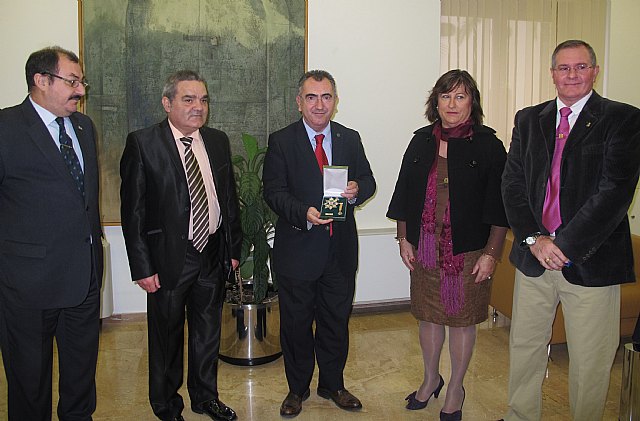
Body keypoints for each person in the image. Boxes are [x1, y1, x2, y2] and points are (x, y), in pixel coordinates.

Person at [500, 39, 640, 421]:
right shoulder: (529, 119)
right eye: (564, 68)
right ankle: (520, 415)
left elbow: (614, 192)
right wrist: (535, 240)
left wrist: (563, 245)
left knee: (590, 359)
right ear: (552, 74)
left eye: (581, 67)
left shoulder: (623, 119)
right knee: (526, 346)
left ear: (595, 71)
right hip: (534, 258)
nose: (572, 74)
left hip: (590, 262)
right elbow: (512, 185)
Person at [387, 69, 508, 421]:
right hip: (424, 246)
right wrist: (402, 237)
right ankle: (430, 379)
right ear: (435, 101)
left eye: (460, 96)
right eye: (445, 96)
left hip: (468, 249)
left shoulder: (488, 144)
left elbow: (499, 205)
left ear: (472, 102)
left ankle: (455, 386)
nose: (452, 104)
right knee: (428, 317)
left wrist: (491, 254)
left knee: (461, 321)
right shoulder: (421, 140)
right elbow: (404, 191)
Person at [120, 70, 241, 421]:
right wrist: (142, 267)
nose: (198, 107)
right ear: (167, 102)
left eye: (203, 100)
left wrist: (232, 250)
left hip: (211, 253)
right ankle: (166, 405)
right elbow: (134, 212)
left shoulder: (216, 141)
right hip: (169, 258)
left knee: (207, 334)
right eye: (188, 99)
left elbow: (228, 199)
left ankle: (205, 398)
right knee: (166, 339)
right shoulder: (143, 143)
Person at [262, 69, 376, 417]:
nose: (319, 104)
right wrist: (304, 212)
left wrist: (357, 190)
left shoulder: (349, 138)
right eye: (311, 97)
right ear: (299, 102)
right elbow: (274, 192)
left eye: (326, 97)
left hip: (339, 253)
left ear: (335, 102)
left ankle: (333, 384)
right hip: (298, 251)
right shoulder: (282, 141)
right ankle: (297, 390)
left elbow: (368, 180)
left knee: (335, 322)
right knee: (296, 326)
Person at [0, 46, 104, 420]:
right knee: (29, 384)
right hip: (27, 286)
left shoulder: (83, 127)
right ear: (41, 81)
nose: (81, 90)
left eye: (81, 81)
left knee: (80, 380)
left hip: (84, 279)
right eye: (72, 81)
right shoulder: (6, 127)